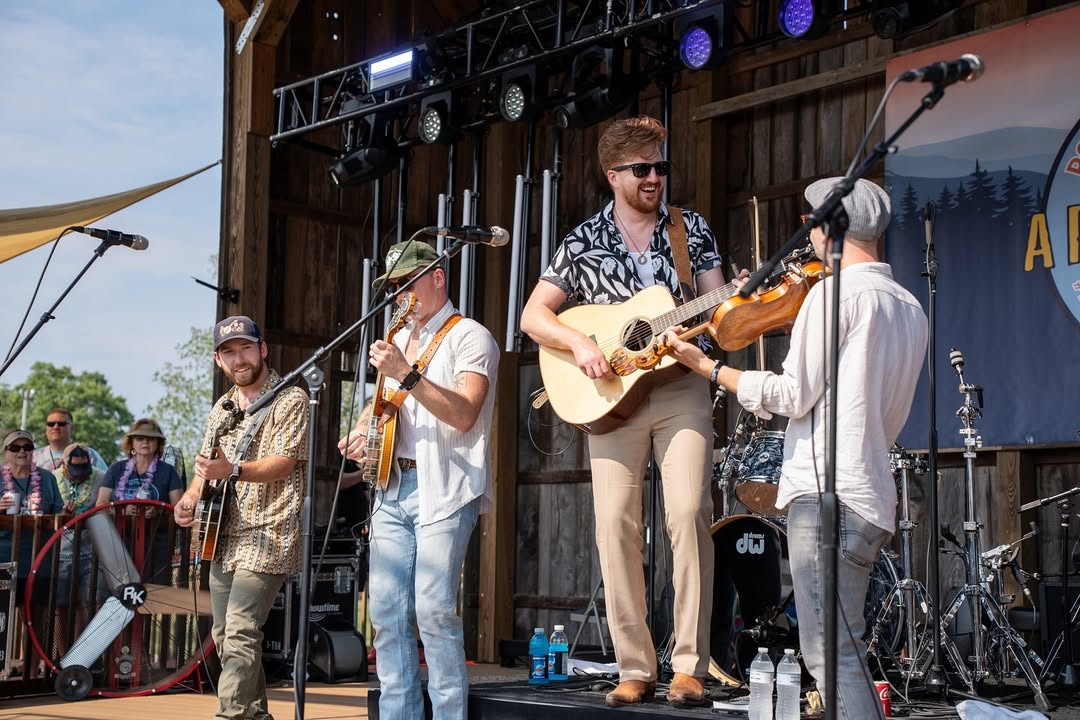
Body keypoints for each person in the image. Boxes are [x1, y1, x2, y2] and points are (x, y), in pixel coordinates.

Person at [661, 178, 929, 719]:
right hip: (871, 495)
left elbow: (790, 394)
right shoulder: (908, 305)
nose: (807, 234)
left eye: (812, 223)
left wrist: (708, 367)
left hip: (828, 495)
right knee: (843, 649)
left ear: (832, 228)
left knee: (831, 655)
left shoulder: (832, 296)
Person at [519, 115, 728, 707]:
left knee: (688, 514)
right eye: (641, 169)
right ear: (613, 175)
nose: (654, 177)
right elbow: (533, 316)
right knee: (615, 526)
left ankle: (689, 666)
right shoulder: (582, 241)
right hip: (612, 399)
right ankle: (635, 666)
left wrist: (729, 309)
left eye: (661, 166)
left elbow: (718, 314)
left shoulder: (691, 230)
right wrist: (580, 344)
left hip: (681, 387)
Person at [339, 240, 499, 720]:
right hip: (390, 487)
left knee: (433, 612)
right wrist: (362, 431)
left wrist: (405, 373)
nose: (399, 294)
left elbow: (465, 414)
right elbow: (382, 406)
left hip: (445, 487)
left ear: (437, 277)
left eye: (407, 282)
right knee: (387, 616)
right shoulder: (397, 337)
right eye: (393, 287)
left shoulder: (470, 335)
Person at [173, 315, 308, 720]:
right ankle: (255, 715)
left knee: (241, 629)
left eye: (246, 348)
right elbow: (205, 464)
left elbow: (285, 462)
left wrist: (232, 470)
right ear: (218, 360)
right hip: (222, 533)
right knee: (224, 634)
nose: (239, 358)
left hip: (269, 530)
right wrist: (191, 498)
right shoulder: (223, 406)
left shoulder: (290, 398)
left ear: (263, 349)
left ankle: (229, 715)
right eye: (229, 352)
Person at [0, 430, 64, 590]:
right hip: (3, 559)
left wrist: (67, 512)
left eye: (27, 447)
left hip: (39, 560)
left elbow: (59, 512)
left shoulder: (47, 478)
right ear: (5, 452)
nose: (22, 451)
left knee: (37, 604)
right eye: (15, 448)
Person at [97, 418, 184, 508]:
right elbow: (100, 505)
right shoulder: (116, 468)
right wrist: (122, 510)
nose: (145, 442)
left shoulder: (169, 471)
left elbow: (178, 509)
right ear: (131, 443)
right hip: (118, 518)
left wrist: (157, 511)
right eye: (140, 438)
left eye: (151, 438)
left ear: (158, 443)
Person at [33, 408, 109, 474]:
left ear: (72, 428)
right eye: (51, 424)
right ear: (46, 429)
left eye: (61, 424)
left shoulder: (90, 455)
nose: (55, 427)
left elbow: (106, 482)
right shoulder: (33, 457)